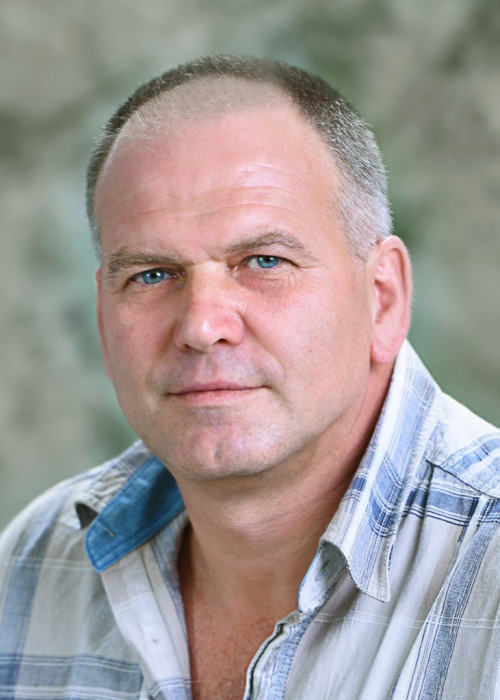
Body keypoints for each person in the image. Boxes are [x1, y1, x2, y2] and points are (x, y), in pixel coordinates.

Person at [0, 55, 498, 700]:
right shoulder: (35, 562)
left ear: (382, 298)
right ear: (102, 313)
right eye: (152, 275)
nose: (202, 326)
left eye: (264, 261)